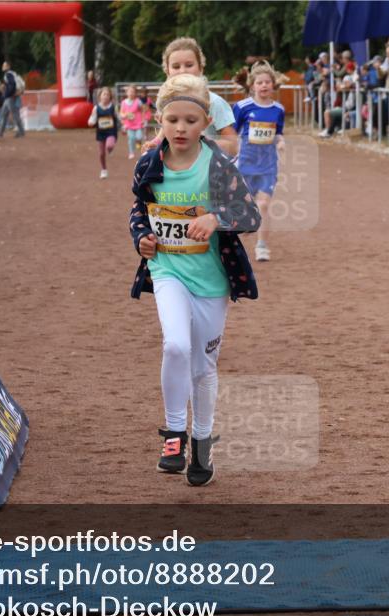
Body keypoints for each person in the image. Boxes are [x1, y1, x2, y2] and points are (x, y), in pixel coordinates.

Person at [128, 73, 261, 487]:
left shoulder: (218, 165)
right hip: (167, 270)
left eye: (190, 120)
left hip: (213, 280)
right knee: (175, 344)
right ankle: (173, 434)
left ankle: (202, 442)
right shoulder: (149, 163)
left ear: (205, 122)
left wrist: (215, 218)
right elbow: (139, 210)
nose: (181, 128)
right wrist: (142, 239)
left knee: (204, 366)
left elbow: (250, 215)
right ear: (160, 122)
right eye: (173, 120)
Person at [143, 37, 239, 156]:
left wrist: (201, 143)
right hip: (176, 170)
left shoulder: (214, 102)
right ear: (167, 71)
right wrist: (156, 142)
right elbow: (165, 132)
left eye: (189, 65)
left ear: (201, 68)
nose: (182, 71)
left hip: (209, 171)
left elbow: (233, 146)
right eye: (176, 66)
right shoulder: (165, 101)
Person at [232, 61, 285, 262]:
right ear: (252, 85)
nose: (264, 86)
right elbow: (231, 134)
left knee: (263, 204)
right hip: (245, 163)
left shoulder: (278, 109)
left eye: (267, 82)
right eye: (259, 82)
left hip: (268, 165)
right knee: (245, 205)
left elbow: (279, 133)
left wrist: (281, 142)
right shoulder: (242, 107)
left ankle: (262, 246)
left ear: (273, 85)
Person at [88, 86, 118, 179]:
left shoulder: (113, 107)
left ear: (110, 97)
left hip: (111, 132)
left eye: (108, 95)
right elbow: (92, 118)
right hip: (100, 132)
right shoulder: (96, 108)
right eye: (104, 94)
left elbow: (119, 116)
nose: (106, 96)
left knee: (109, 146)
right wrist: (90, 122)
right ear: (100, 96)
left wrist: (124, 125)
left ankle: (110, 149)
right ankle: (104, 170)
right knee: (101, 153)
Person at [0, 60, 25, 137]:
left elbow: (12, 85)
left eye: (4, 65)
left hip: (10, 98)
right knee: (4, 114)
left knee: (14, 115)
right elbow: (11, 85)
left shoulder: (8, 74)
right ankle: (0, 132)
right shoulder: (11, 73)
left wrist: (8, 93)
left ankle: (21, 131)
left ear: (8, 67)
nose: (3, 67)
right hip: (9, 98)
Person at [119, 84, 145, 160]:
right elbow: (121, 113)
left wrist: (143, 119)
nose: (131, 93)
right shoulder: (123, 102)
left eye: (133, 92)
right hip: (129, 124)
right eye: (129, 91)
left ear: (135, 93)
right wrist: (124, 116)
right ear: (126, 93)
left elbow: (142, 110)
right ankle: (131, 152)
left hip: (138, 123)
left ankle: (139, 143)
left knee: (139, 137)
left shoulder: (138, 101)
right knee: (131, 138)